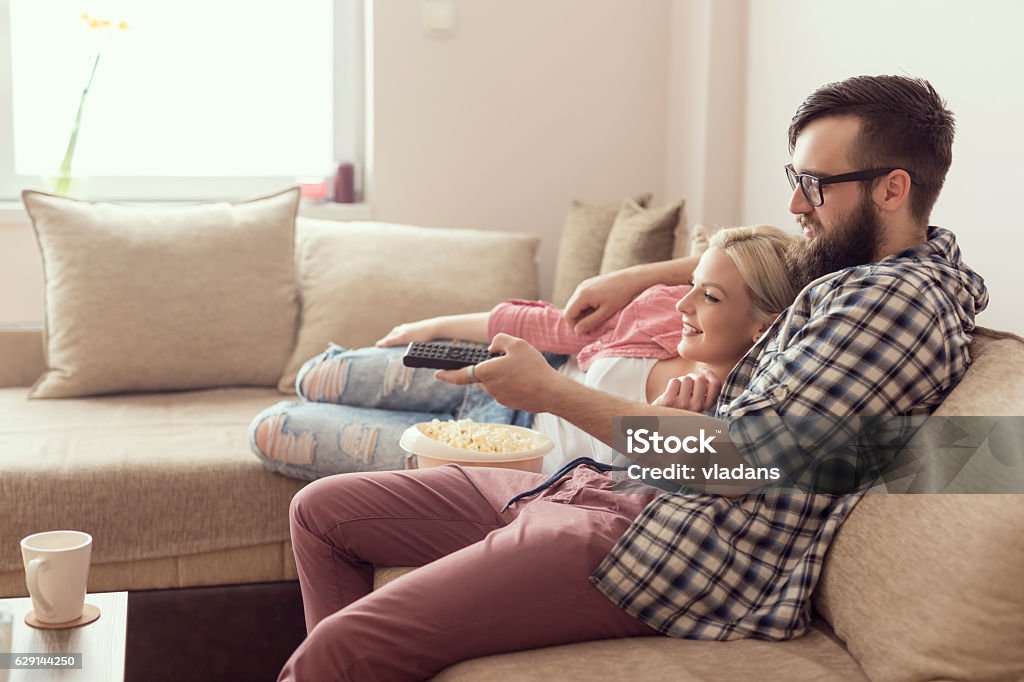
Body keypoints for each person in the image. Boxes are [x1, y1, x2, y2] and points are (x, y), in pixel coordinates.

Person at [277, 75, 988, 681]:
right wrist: (635, 277)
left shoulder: (890, 304)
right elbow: (754, 255)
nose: (798, 205)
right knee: (325, 513)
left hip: (673, 549)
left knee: (339, 650)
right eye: (793, 180)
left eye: (814, 185)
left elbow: (733, 462)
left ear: (893, 188)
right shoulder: (863, 270)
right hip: (621, 491)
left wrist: (550, 392)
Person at [250, 226, 798, 478]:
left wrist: (672, 423)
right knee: (321, 374)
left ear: (762, 325)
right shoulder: (661, 309)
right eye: (692, 285)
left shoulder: (729, 410)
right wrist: (433, 324)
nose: (685, 305)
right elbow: (555, 328)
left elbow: (640, 492)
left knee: (274, 428)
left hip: (504, 456)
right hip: (501, 378)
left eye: (709, 296)